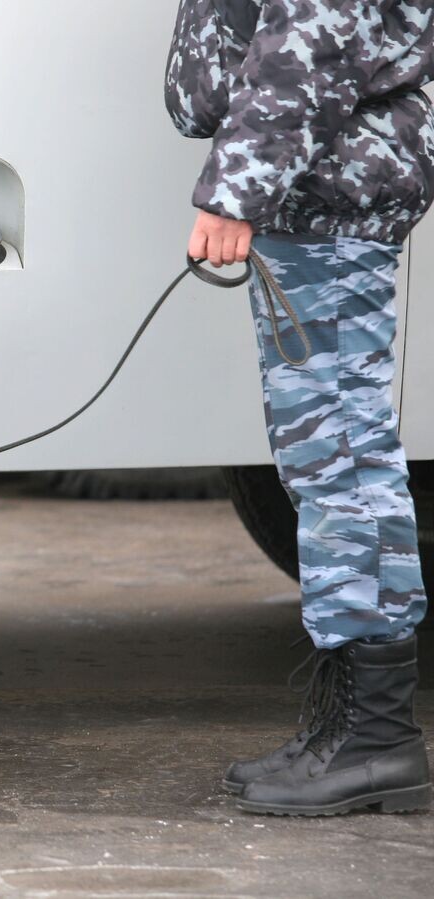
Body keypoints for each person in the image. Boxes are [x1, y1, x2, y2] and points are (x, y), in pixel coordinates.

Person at [165, 1, 434, 815]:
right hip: (318, 193)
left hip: (331, 198)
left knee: (344, 457)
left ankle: (377, 739)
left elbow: (311, 38)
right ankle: (346, 723)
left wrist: (236, 188)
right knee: (328, 461)